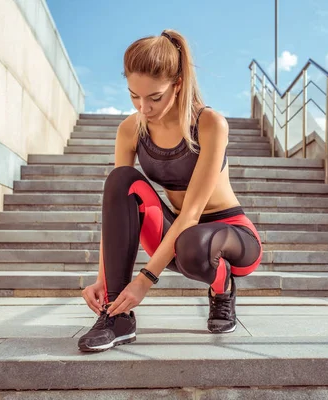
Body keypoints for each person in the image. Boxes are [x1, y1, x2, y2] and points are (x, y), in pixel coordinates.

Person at [78, 29, 263, 353]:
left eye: (154, 97)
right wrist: (103, 280)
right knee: (120, 180)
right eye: (134, 95)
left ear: (178, 84)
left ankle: (223, 288)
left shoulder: (209, 124)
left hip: (232, 236)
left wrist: (144, 280)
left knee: (192, 242)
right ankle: (117, 318)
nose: (143, 107)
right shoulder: (130, 129)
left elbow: (192, 214)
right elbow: (116, 210)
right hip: (179, 235)